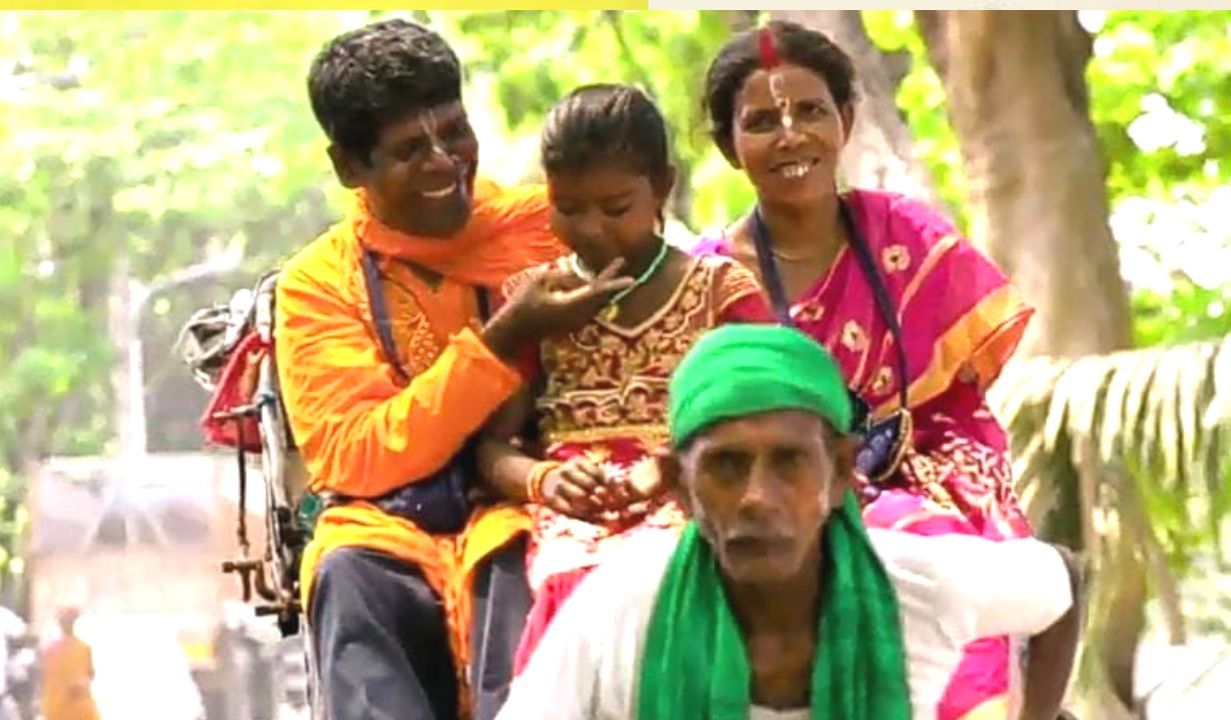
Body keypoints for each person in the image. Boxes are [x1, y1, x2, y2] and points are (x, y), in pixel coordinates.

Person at [275, 18, 635, 720]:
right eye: (411, 149)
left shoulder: (544, 225)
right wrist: (505, 339)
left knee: (535, 565)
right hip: (388, 526)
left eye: (454, 131)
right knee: (349, 576)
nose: (446, 161)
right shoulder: (318, 282)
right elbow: (356, 454)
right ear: (351, 168)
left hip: (530, 503)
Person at [690, 20, 1038, 720]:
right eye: (761, 121)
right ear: (730, 147)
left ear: (847, 120)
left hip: (922, 465)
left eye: (812, 111)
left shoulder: (905, 234)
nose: (791, 136)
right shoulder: (709, 280)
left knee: (942, 548)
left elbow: (960, 396)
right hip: (785, 482)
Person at [496, 324, 1081, 720]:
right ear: (678, 485)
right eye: (726, 466)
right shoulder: (622, 607)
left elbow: (1063, 581)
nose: (756, 497)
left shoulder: (919, 586)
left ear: (841, 473)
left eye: (789, 463)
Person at [475, 84, 773, 671]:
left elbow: (763, 419)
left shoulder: (720, 291)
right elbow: (487, 447)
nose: (590, 229)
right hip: (576, 510)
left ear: (661, 187)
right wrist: (542, 480)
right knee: (576, 580)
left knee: (680, 574)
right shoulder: (533, 300)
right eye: (568, 207)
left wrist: (664, 469)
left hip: (695, 489)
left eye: (615, 209)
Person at [39, 608, 99, 720]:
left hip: (57, 705)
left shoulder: (51, 649)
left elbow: (43, 677)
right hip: (75, 705)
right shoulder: (83, 648)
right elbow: (90, 674)